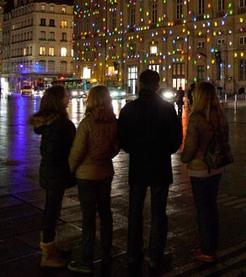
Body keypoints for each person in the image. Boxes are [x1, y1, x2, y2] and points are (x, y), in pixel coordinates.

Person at [118, 69, 183, 275]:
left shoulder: (129, 109)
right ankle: (155, 256)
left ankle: (133, 253)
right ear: (157, 85)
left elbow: (123, 141)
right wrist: (164, 150)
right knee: (158, 212)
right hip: (159, 166)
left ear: (139, 84)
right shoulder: (167, 108)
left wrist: (135, 149)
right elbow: (175, 140)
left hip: (138, 166)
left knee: (135, 212)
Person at [67, 86, 120, 273]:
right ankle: (107, 253)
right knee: (106, 214)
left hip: (87, 175)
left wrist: (71, 168)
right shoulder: (114, 122)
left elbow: (77, 152)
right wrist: (105, 157)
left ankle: (86, 260)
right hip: (105, 172)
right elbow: (116, 147)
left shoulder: (87, 124)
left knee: (88, 217)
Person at [180, 82, 230, 263]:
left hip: (200, 169)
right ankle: (211, 244)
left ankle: (207, 250)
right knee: (212, 207)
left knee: (203, 209)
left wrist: (183, 158)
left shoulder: (197, 118)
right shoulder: (220, 116)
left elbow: (191, 147)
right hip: (217, 167)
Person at [29, 86, 76, 269]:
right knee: (51, 211)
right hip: (57, 172)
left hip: (50, 171)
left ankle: (51, 247)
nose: (68, 98)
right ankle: (48, 255)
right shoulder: (61, 125)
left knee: (52, 209)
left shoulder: (49, 123)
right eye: (66, 96)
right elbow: (57, 150)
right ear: (58, 100)